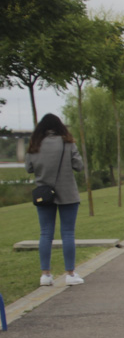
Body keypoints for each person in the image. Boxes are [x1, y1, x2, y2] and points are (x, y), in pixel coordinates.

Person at [26, 113, 85, 287]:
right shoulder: (67, 143)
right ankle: (70, 274)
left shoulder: (34, 144)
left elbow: (29, 168)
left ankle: (45, 275)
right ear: (60, 127)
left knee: (45, 233)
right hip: (68, 193)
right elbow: (79, 166)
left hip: (44, 195)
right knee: (67, 233)